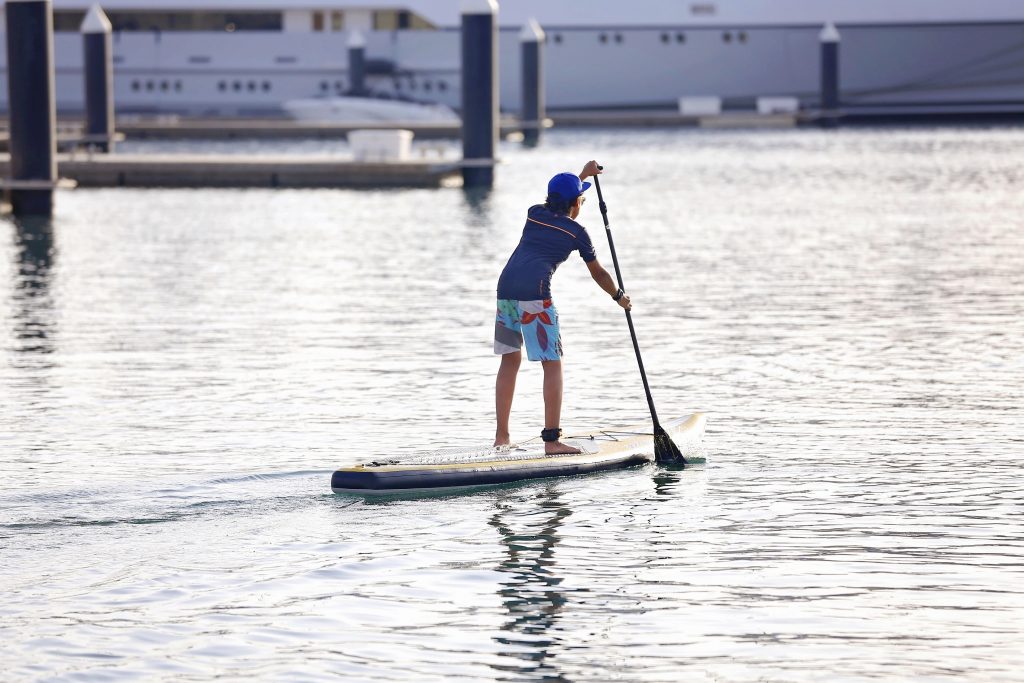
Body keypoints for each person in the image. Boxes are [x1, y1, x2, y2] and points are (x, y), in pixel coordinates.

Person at [493, 160, 632, 454]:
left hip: (505, 290)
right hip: (535, 295)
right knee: (552, 363)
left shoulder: (534, 214)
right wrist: (618, 296)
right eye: (580, 198)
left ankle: (502, 437)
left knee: (509, 360)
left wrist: (582, 177)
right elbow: (599, 273)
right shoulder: (577, 232)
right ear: (575, 203)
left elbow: (564, 196)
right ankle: (552, 441)